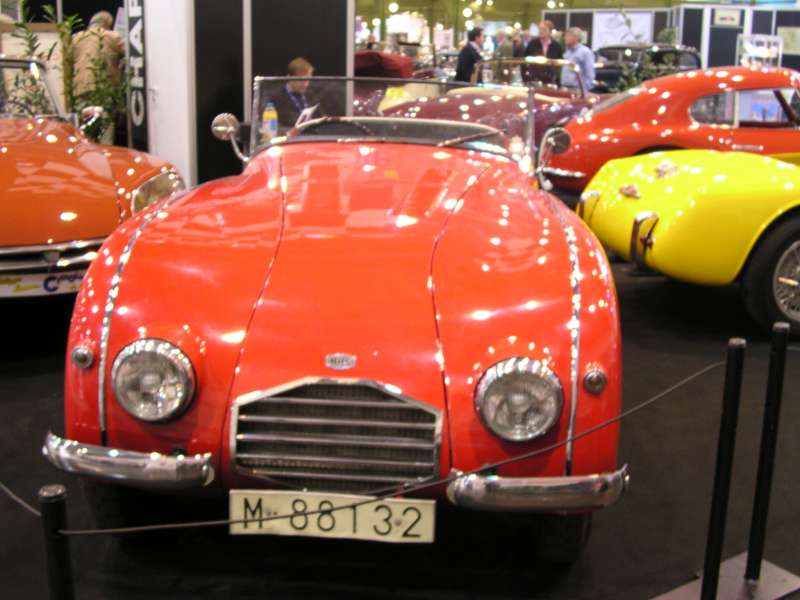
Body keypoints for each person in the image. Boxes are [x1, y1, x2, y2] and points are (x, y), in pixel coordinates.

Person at [72, 11, 125, 97]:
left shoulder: (76, 38)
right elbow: (131, 53)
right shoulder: (112, 36)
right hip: (104, 88)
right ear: (107, 24)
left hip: (80, 88)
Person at [271, 57, 322, 129]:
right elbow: (273, 126)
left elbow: (320, 118)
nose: (306, 84)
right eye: (301, 80)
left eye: (308, 79)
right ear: (289, 77)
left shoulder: (311, 95)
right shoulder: (276, 98)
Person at [561, 27, 596, 91]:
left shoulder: (585, 52)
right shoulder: (567, 53)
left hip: (578, 90)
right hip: (565, 88)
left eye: (567, 36)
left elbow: (590, 74)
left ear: (576, 37)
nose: (565, 38)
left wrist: (584, 90)